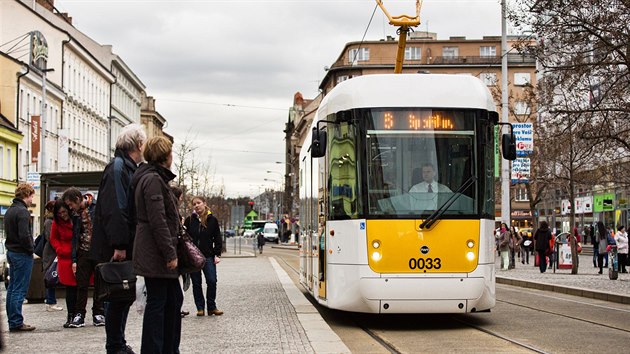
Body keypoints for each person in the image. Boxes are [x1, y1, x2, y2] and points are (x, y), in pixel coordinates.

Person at [90, 123, 146, 354]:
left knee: (122, 294)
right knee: (117, 294)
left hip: (119, 241)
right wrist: (120, 245)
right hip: (116, 244)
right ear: (139, 145)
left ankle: (118, 342)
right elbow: (117, 208)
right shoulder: (119, 168)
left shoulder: (124, 166)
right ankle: (115, 345)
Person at [132, 135, 183, 353]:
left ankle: (168, 349)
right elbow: (158, 220)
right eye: (171, 152)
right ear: (165, 156)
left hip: (156, 252)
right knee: (158, 303)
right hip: (157, 254)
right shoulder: (152, 180)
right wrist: (170, 254)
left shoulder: (154, 177)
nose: (172, 156)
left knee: (172, 300)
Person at [62, 188, 105, 327]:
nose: (70, 207)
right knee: (82, 284)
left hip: (98, 251)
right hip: (83, 252)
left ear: (77, 199)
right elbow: (75, 237)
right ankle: (79, 314)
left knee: (99, 284)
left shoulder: (97, 207)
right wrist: (74, 259)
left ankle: (98, 313)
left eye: (70, 204)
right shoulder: (75, 215)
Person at [5, 183, 37, 332]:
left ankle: (13, 320)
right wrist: (31, 249)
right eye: (31, 196)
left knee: (12, 288)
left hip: (11, 252)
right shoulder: (23, 212)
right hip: (22, 254)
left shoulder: (10, 211)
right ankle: (17, 322)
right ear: (26, 195)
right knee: (19, 289)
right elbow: (25, 235)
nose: (32, 199)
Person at [184, 196, 223, 317]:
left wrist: (217, 253)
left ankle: (212, 307)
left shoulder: (212, 220)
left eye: (199, 203)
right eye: (194, 204)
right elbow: (185, 238)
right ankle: (200, 307)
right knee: (196, 283)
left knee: (212, 281)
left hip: (208, 256)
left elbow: (217, 238)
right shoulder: (190, 220)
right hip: (194, 257)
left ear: (204, 203)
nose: (196, 205)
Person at [49, 199, 78, 328]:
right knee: (70, 288)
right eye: (60, 213)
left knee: (80, 287)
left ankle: (79, 315)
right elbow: (53, 238)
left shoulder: (76, 220)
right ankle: (71, 315)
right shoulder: (57, 222)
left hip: (77, 255)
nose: (62, 215)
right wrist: (59, 249)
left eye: (64, 212)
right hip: (65, 258)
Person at [171, 185, 190, 319]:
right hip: (175, 254)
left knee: (177, 285)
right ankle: (175, 309)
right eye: (181, 197)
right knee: (176, 286)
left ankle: (177, 308)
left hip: (175, 253)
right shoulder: (173, 212)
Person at [42, 200, 63, 312]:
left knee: (53, 276)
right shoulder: (49, 222)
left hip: (53, 253)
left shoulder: (53, 220)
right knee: (51, 276)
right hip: (51, 254)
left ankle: (51, 301)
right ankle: (50, 302)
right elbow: (51, 238)